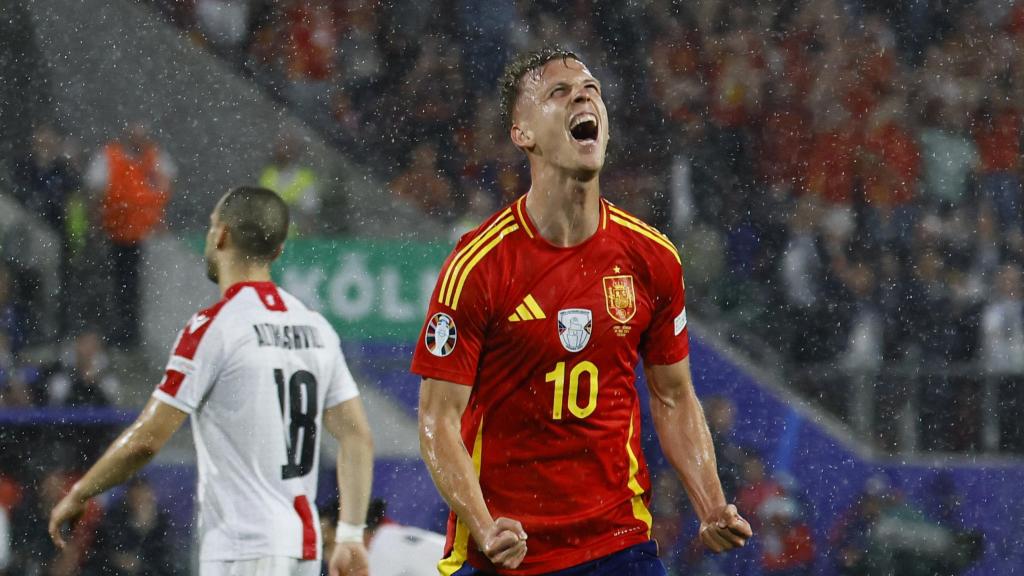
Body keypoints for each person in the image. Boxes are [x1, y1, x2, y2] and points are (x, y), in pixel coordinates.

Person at [412, 47, 751, 576]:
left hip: (617, 543)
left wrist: (710, 504)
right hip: (508, 552)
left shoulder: (651, 257)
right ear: (522, 133)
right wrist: (483, 525)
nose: (582, 96)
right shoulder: (478, 265)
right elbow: (438, 417)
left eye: (590, 89)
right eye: (558, 92)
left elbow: (672, 393)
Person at [49, 186, 375, 576]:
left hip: (244, 546)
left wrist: (82, 491)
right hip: (299, 549)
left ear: (220, 235)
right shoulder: (316, 327)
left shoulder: (215, 327)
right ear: (278, 250)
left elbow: (148, 439)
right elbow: (357, 436)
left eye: (209, 227)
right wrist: (352, 534)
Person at [85, 123, 176, 348]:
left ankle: (132, 334)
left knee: (140, 289)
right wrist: (96, 225)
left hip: (147, 237)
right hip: (116, 234)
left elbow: (167, 187)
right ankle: (119, 333)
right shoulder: (110, 156)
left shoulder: (155, 158)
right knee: (119, 286)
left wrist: (159, 219)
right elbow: (95, 192)